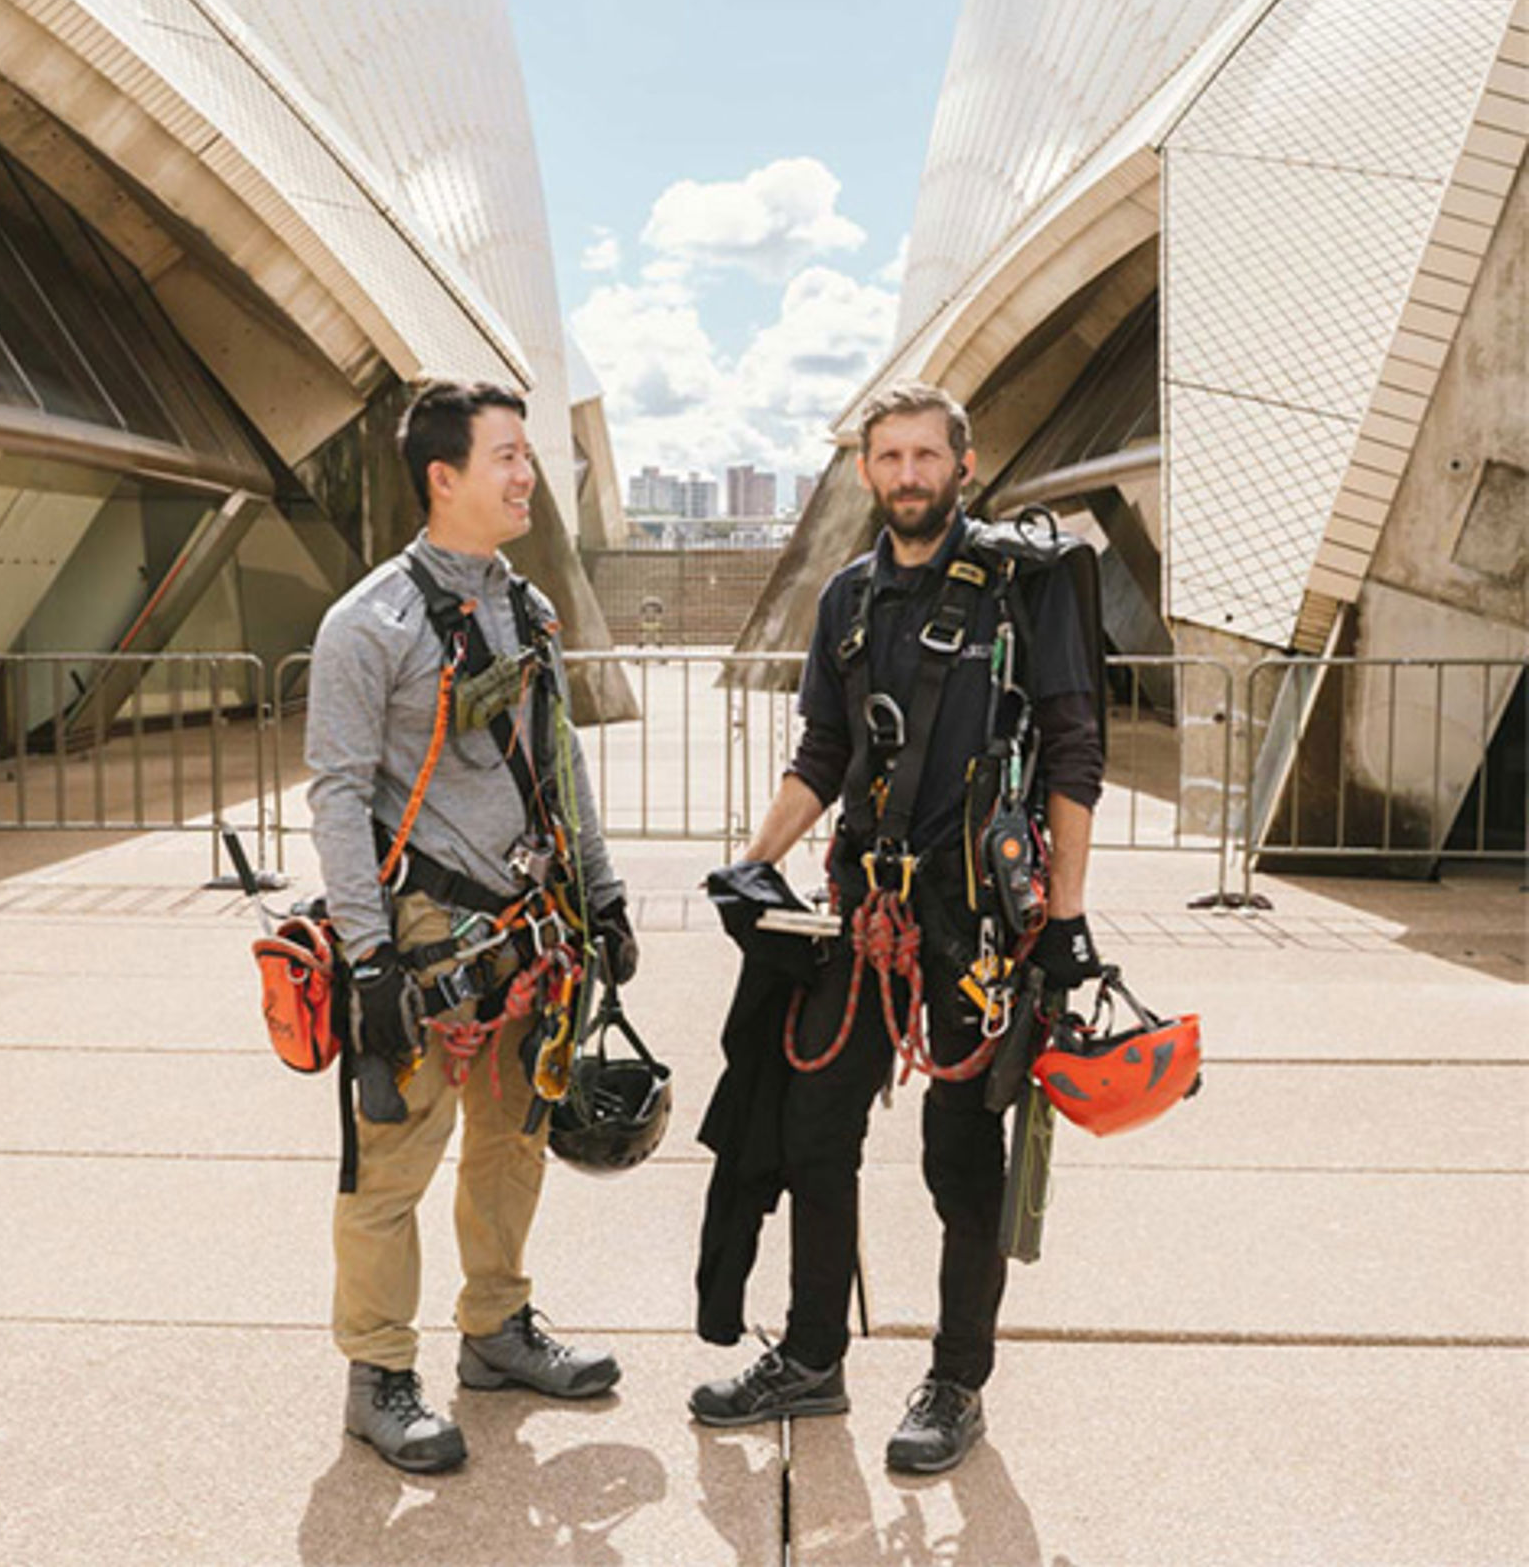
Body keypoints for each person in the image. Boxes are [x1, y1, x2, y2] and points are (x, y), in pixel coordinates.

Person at [689, 381, 1104, 1475]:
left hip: (977, 921)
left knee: (958, 1155)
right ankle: (814, 1357)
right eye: (890, 457)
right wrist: (754, 857)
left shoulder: (1027, 587)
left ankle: (956, 1380)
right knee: (815, 1128)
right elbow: (823, 752)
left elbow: (1072, 753)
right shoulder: (846, 598)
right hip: (862, 914)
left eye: (928, 455)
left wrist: (1062, 918)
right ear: (866, 470)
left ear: (963, 466)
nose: (909, 475)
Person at [307, 379, 639, 1475]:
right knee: (393, 1163)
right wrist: (366, 963)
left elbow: (561, 761)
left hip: (530, 926)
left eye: (527, 455)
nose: (525, 474)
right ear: (440, 476)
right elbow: (337, 796)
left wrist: (600, 893)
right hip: (423, 936)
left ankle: (495, 1329)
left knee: (512, 1137)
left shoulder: (526, 609)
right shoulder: (367, 625)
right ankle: (378, 1372)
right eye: (504, 456)